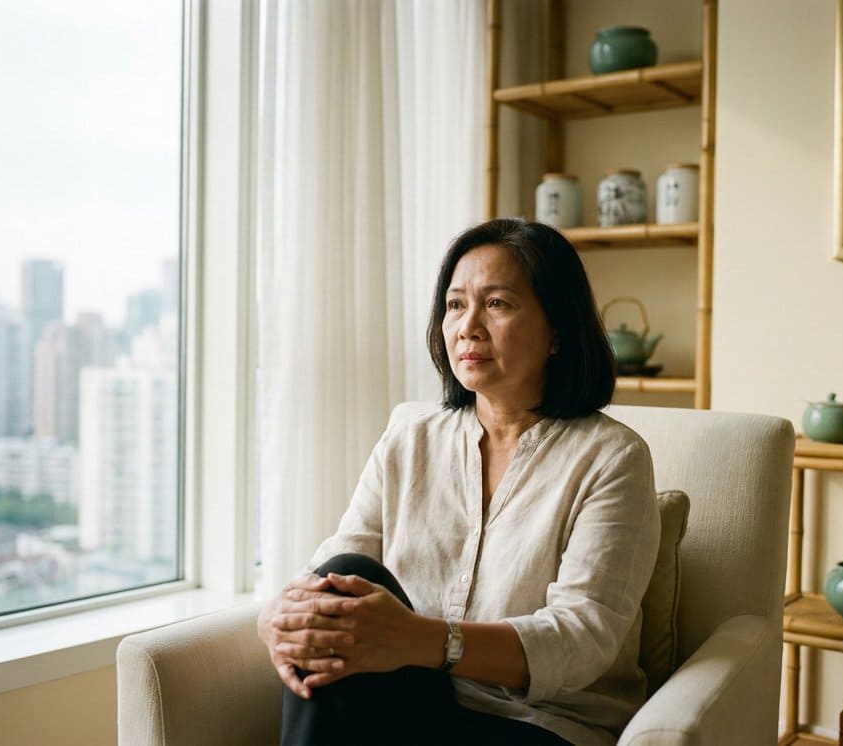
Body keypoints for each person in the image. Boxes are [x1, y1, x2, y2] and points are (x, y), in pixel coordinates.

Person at [257, 218, 660, 745]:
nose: (468, 326)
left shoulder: (613, 458)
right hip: (419, 706)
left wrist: (419, 639)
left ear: (557, 330)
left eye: (497, 303)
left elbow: (582, 639)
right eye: (454, 305)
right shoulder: (409, 441)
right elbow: (334, 567)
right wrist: (276, 618)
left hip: (541, 724)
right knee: (343, 578)